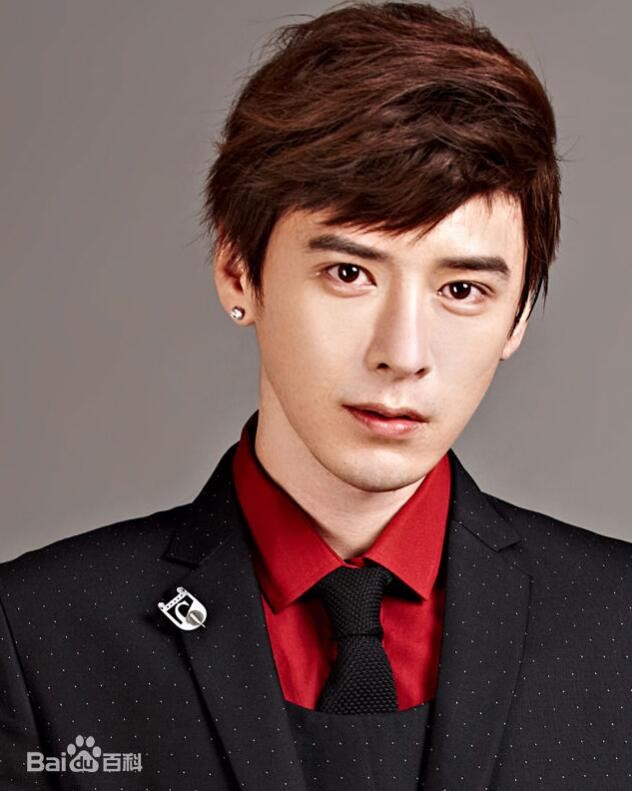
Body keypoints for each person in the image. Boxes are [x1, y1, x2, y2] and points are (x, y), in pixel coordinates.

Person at [1, 2, 631, 789]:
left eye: (462, 289)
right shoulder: (38, 637)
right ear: (238, 270)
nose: (402, 353)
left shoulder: (619, 624)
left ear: (519, 317)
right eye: (349, 273)